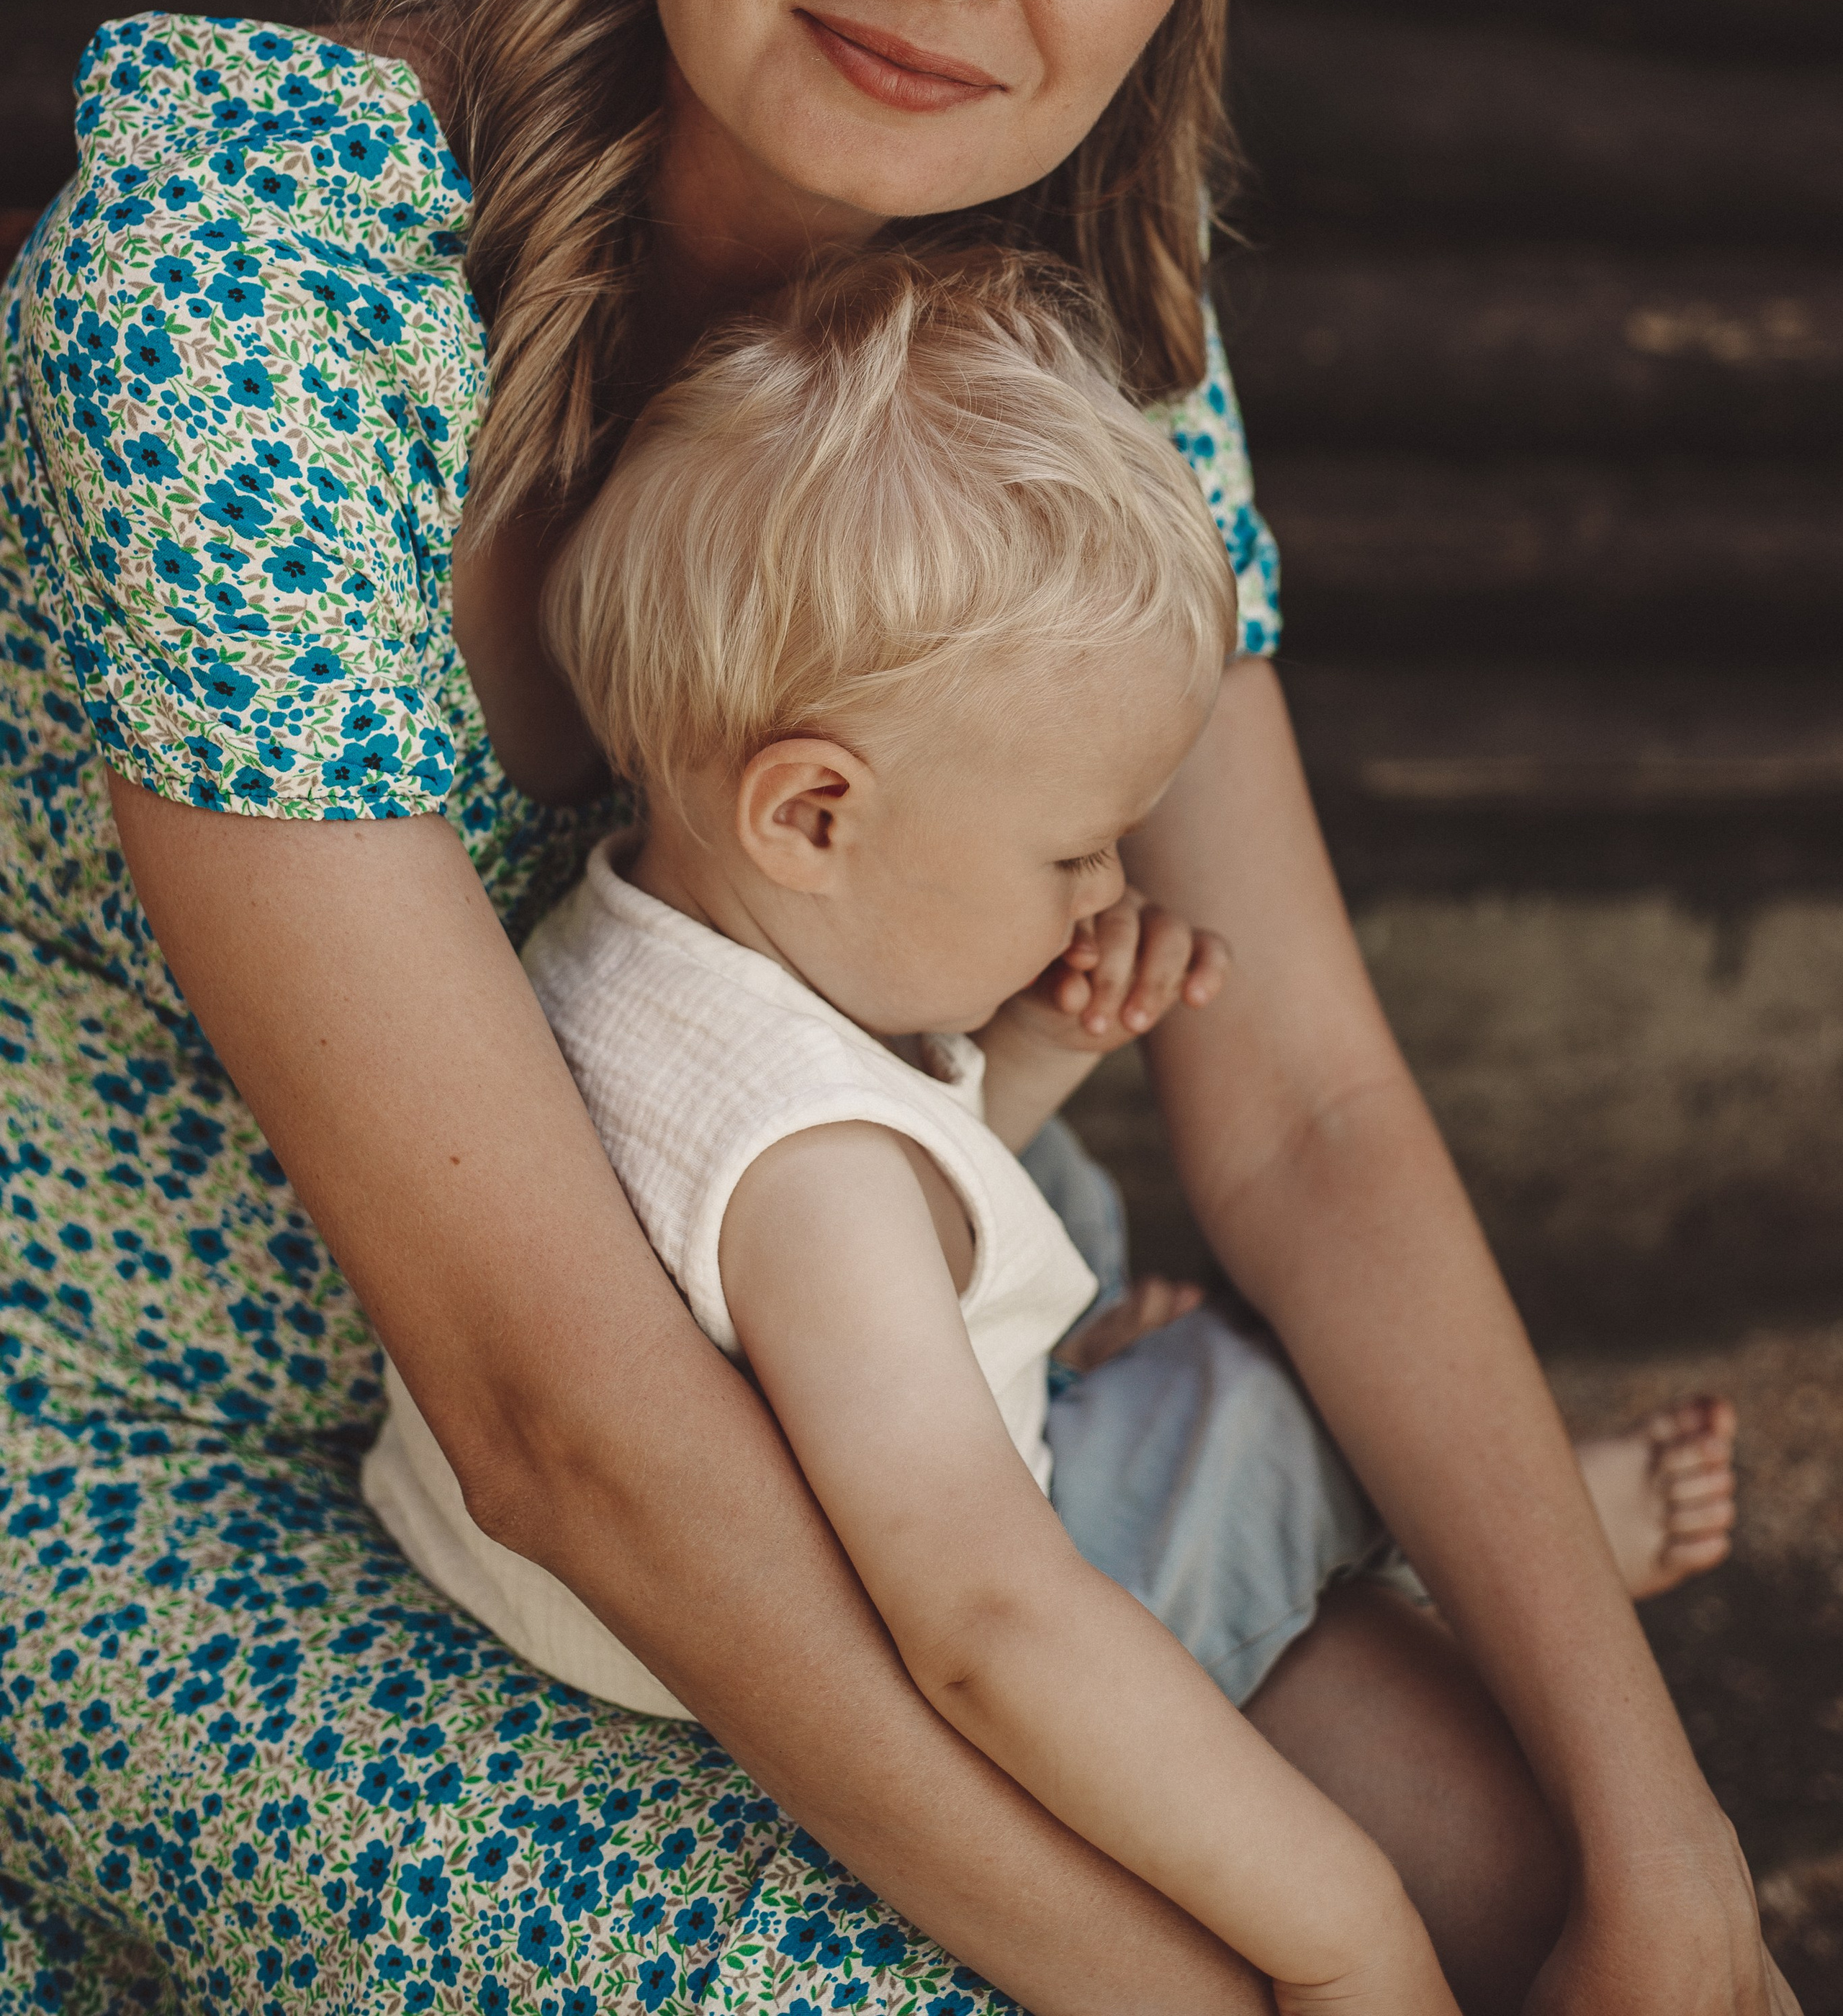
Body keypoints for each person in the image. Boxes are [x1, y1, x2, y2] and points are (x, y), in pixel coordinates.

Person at [0, 0, 1771, 2016]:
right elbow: (551, 1418)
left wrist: (1684, 1872)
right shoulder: (248, 299)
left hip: (802, 1428)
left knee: (1513, 1872)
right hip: (161, 1474)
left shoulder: (1079, 365)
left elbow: (1298, 1098)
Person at [367, 242, 1470, 2016]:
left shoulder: (613, 944)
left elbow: (843, 1192)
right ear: (814, 810)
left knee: (1079, 1223)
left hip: (599, 1598)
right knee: (1252, 1399)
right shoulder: (819, 1180)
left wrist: (1022, 1045)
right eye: (1075, 848)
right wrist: (1349, 1933)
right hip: (885, 1630)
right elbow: (988, 1624)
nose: (1110, 883)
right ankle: (1411, 1549)